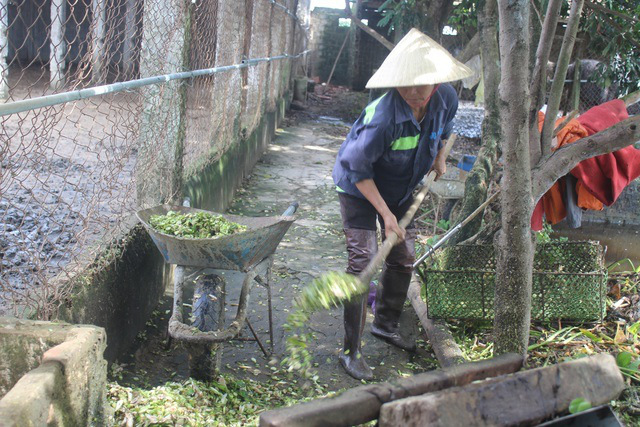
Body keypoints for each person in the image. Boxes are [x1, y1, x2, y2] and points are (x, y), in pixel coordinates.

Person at [332, 28, 473, 380]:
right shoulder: (382, 117)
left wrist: (440, 155)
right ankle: (350, 352)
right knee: (363, 263)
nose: (412, 92)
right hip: (359, 189)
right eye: (404, 84)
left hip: (403, 186)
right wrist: (387, 216)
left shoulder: (446, 100)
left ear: (437, 83)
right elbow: (358, 169)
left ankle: (385, 324)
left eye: (420, 85)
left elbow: (446, 127)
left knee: (403, 258)